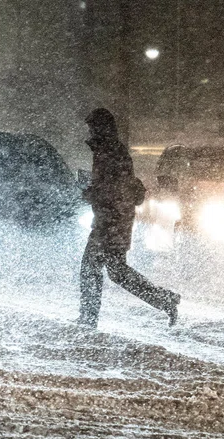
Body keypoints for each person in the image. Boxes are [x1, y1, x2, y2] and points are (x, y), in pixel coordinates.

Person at [78, 108, 181, 328]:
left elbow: (115, 189)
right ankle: (165, 300)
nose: (89, 131)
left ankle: (88, 318)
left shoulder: (110, 151)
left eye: (92, 127)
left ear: (100, 128)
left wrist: (90, 193)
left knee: (92, 267)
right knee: (115, 271)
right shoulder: (109, 150)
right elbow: (117, 186)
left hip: (111, 220)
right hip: (114, 219)